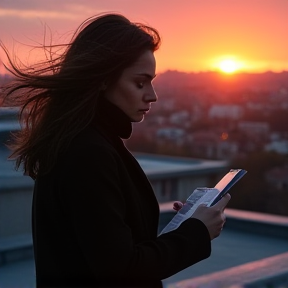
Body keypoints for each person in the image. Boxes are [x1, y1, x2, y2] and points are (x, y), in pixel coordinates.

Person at [1, 13, 230, 288]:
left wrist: (182, 228)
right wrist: (197, 232)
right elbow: (122, 269)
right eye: (140, 82)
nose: (152, 95)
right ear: (102, 80)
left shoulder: (83, 141)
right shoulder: (88, 153)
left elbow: (111, 251)